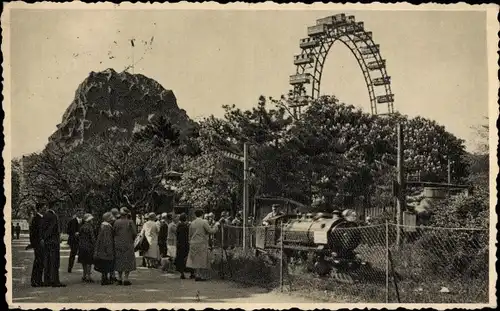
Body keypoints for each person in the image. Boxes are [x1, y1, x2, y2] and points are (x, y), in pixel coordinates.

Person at [186, 209, 220, 281]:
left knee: (195, 259)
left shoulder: (192, 223)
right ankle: (199, 275)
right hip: (201, 243)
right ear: (202, 214)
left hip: (193, 243)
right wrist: (216, 226)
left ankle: (196, 274)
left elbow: (190, 234)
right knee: (201, 259)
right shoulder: (204, 222)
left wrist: (190, 242)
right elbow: (211, 231)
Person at [40, 203, 66, 287]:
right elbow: (51, 229)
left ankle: (47, 280)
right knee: (55, 262)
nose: (60, 208)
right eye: (58, 206)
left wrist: (44, 238)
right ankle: (55, 281)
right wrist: (55, 238)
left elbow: (43, 228)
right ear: (54, 206)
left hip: (48, 242)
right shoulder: (53, 216)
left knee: (47, 262)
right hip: (53, 242)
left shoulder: (45, 215)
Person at [113, 207, 137, 286]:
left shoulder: (116, 222)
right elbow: (134, 233)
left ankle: (119, 278)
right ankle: (126, 278)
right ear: (127, 214)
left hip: (118, 243)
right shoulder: (130, 222)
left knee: (119, 260)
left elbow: (114, 232)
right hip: (128, 243)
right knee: (128, 260)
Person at [94, 212, 116, 286]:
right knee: (106, 263)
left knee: (104, 263)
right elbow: (107, 239)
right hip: (106, 248)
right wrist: (109, 249)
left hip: (102, 248)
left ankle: (104, 278)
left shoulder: (103, 225)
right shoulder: (107, 227)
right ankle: (105, 279)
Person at [175, 213, 195, 279]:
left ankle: (182, 273)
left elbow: (177, 235)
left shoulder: (178, 226)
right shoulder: (187, 226)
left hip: (180, 244)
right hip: (186, 244)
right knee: (188, 258)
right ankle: (191, 273)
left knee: (180, 258)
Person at [30, 203, 45, 287]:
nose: (45, 208)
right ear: (39, 208)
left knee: (41, 262)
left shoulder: (41, 218)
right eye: (44, 207)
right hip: (38, 244)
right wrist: (35, 243)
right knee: (38, 262)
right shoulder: (36, 218)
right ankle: (35, 280)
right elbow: (33, 233)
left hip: (42, 244)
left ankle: (39, 280)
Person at [78, 213, 96, 283]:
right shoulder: (90, 227)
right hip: (89, 246)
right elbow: (92, 238)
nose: (92, 221)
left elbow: (79, 236)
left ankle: (84, 275)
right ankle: (88, 276)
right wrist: (95, 245)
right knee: (89, 262)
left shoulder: (82, 227)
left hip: (82, 246)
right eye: (91, 220)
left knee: (84, 262)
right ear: (89, 220)